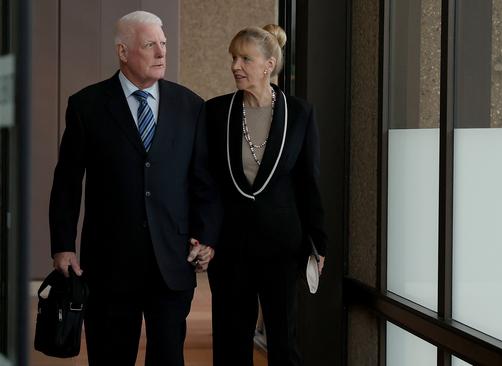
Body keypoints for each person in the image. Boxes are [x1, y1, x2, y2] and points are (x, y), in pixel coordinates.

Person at [48, 10, 221, 366]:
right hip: (109, 263)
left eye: (164, 44)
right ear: (123, 52)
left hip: (172, 262)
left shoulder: (190, 106)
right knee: (110, 357)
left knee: (169, 359)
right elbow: (67, 182)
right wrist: (63, 245)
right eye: (150, 45)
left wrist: (206, 237)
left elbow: (204, 182)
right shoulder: (86, 106)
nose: (161, 53)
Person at [205, 24, 327, 366]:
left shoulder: (300, 113)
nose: (235, 66)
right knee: (230, 342)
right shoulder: (215, 112)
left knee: (283, 342)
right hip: (230, 249)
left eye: (245, 58)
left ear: (268, 65)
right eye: (233, 58)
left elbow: (309, 182)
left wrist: (318, 243)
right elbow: (207, 182)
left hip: (283, 248)